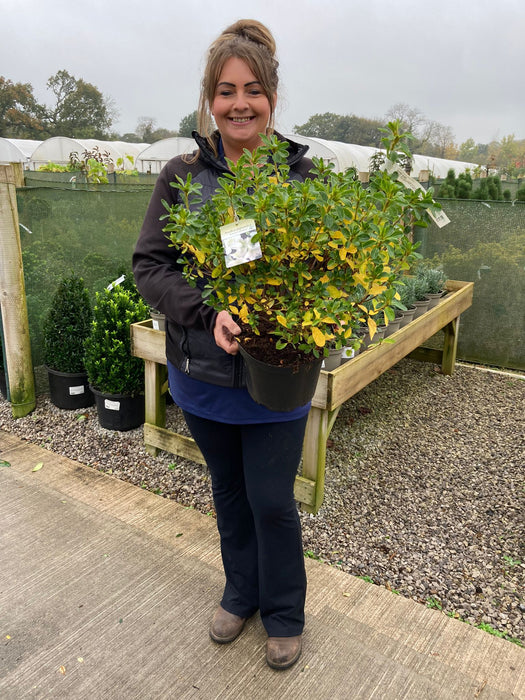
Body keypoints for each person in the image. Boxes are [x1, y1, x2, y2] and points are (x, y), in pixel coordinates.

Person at [133, 19, 314, 671]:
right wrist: (206, 309)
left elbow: (325, 274)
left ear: (271, 97)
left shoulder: (301, 177)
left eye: (253, 90)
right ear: (209, 99)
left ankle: (285, 611)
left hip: (276, 380)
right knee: (228, 494)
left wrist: (293, 311)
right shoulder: (183, 176)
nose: (239, 103)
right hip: (202, 375)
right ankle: (240, 593)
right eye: (225, 89)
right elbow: (150, 266)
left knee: (270, 498)